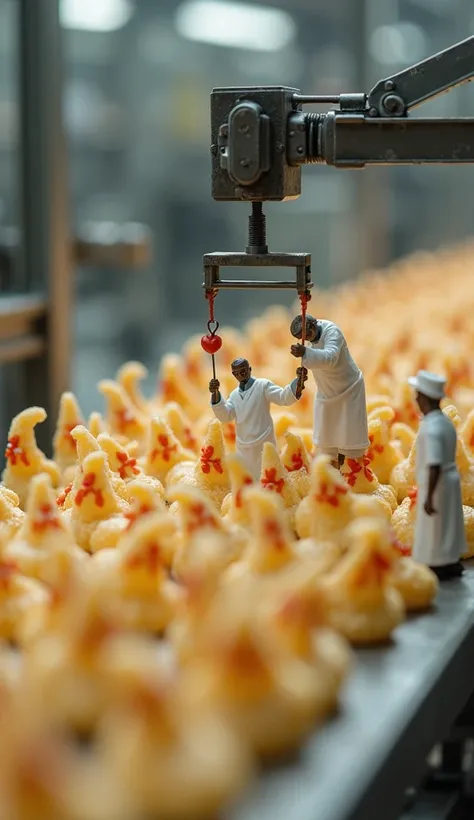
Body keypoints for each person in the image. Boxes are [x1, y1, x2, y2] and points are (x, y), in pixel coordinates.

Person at [290, 314, 369, 468]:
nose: (306, 340)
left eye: (307, 336)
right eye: (301, 338)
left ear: (312, 326)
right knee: (326, 440)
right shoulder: (309, 341)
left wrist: (306, 352)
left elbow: (330, 358)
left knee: (349, 438)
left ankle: (352, 472)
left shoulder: (332, 331)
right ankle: (329, 471)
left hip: (348, 389)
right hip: (326, 392)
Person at [408, 370, 465, 580]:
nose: (415, 398)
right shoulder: (445, 422)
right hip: (449, 479)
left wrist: (429, 495)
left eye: (417, 394)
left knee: (434, 525)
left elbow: (433, 464)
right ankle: (451, 560)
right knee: (449, 522)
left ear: (424, 398)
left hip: (437, 482)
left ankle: (437, 563)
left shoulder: (431, 428)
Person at [209, 357, 305, 478]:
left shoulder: (262, 386)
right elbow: (225, 416)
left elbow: (282, 397)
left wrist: (298, 383)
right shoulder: (234, 396)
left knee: (269, 475)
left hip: (263, 441)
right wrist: (215, 394)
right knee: (247, 477)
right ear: (233, 375)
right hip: (243, 445)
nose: (240, 375)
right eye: (237, 373)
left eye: (243, 371)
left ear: (249, 369)